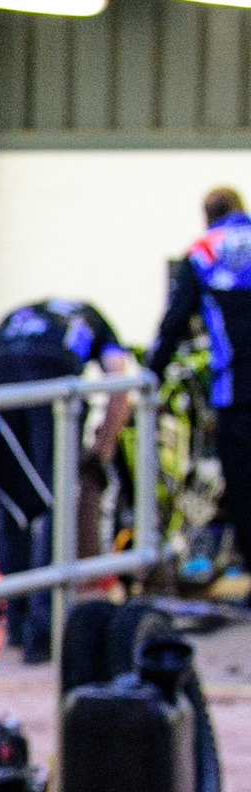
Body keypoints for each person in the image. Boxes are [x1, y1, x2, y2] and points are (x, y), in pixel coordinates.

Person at [0, 298, 134, 661]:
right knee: (55, 502)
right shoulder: (94, 319)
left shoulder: (20, 315)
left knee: (12, 498)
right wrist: (103, 447)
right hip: (51, 373)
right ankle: (42, 632)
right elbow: (121, 380)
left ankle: (11, 621)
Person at [150, 186, 251, 568]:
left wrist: (151, 377)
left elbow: (174, 321)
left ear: (207, 216)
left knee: (243, 485)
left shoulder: (204, 251)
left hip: (235, 389)